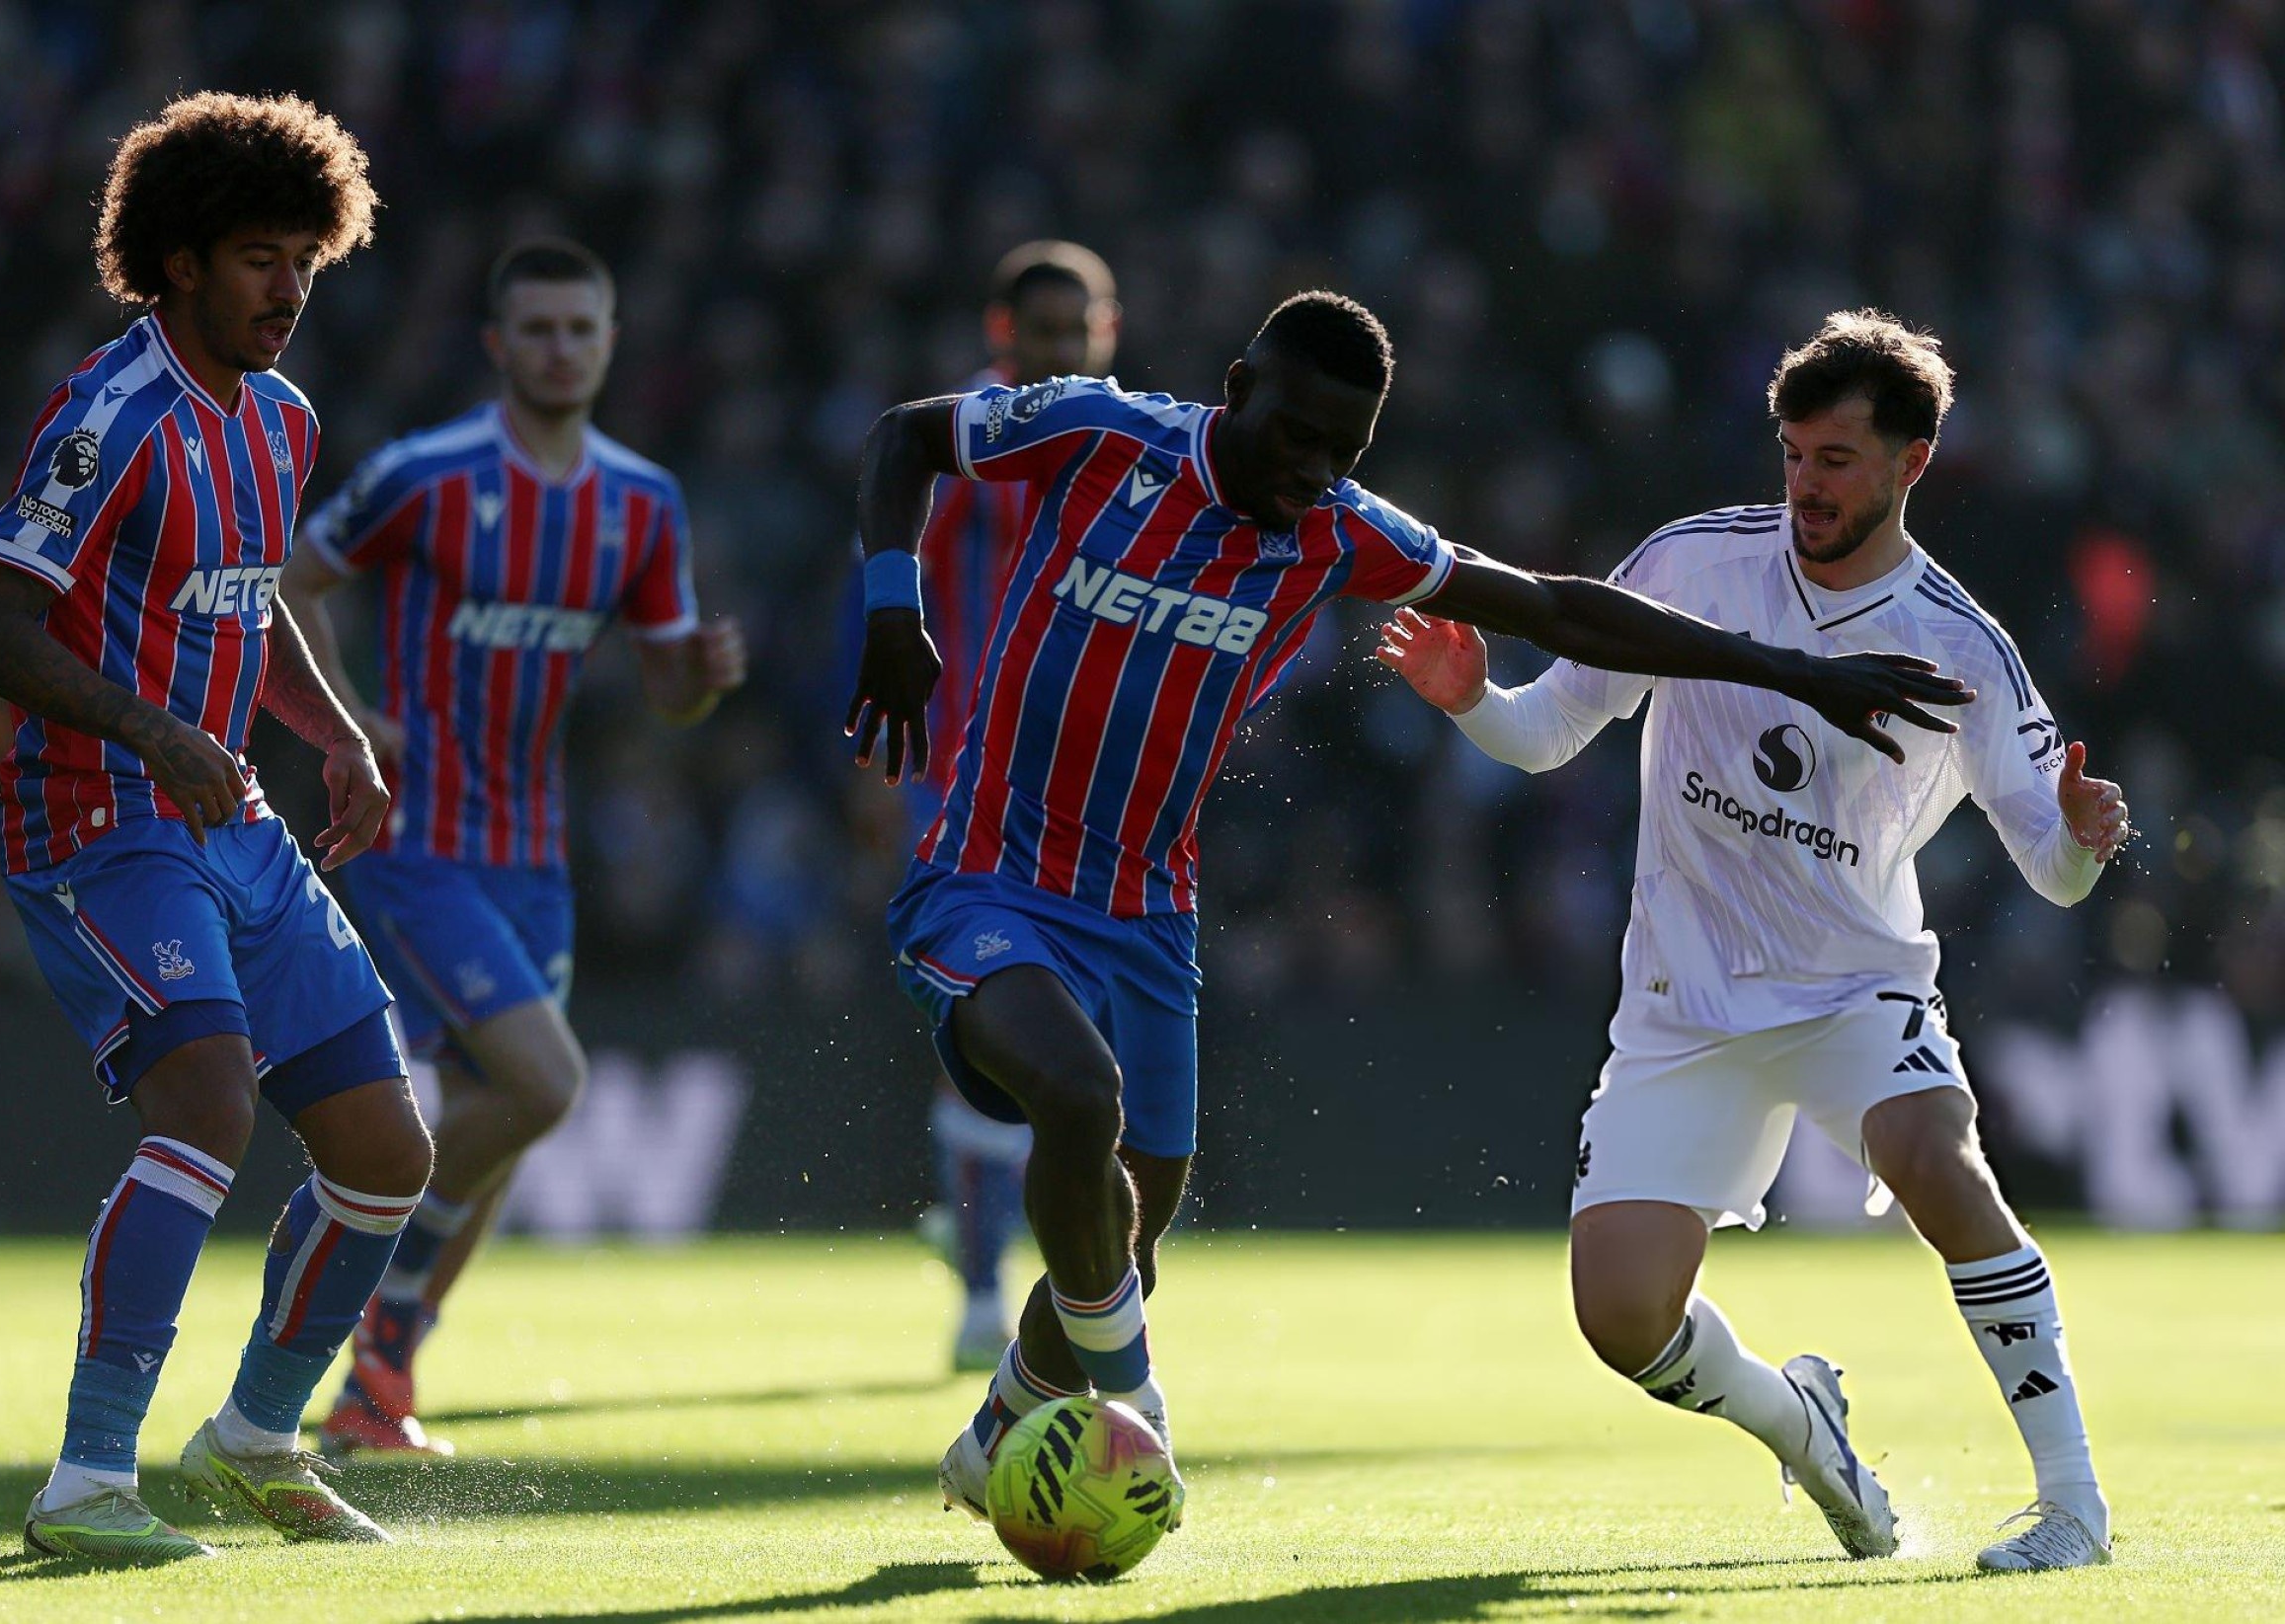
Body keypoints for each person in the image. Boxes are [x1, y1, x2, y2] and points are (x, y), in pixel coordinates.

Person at [843, 289, 1975, 1525]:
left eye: (1345, 450)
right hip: (986, 876)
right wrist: (890, 605)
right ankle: (1137, 1408)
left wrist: (1796, 673)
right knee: (1076, 1101)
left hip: (1147, 916)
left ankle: (1005, 1423)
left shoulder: (1336, 531)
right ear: (1238, 386)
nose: (1313, 471)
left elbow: (1554, 606)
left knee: (1126, 1234)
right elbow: (909, 435)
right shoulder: (1107, 432)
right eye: (1295, 437)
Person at [1378, 310, 2127, 1573]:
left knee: (1935, 1160)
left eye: (1836, 459)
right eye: (1791, 454)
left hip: (1851, 990)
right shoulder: (1691, 563)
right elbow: (1550, 731)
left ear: (1911, 464)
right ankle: (1802, 1425)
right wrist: (1473, 704)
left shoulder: (1961, 647)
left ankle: (2072, 1505)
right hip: (1684, 1004)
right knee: (1621, 1318)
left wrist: (2083, 837)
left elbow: (2049, 877)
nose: (1804, 486)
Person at [0, 92, 429, 1564]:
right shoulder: (112, 413)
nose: (287, 289)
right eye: (258, 259)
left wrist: (334, 730)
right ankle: (87, 1482)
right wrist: (154, 729)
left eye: (304, 258)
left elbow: (252, 593)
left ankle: (258, 1435)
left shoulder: (278, 419)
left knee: (387, 1150)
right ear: (176, 262)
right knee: (209, 1102)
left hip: (235, 814)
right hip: (102, 816)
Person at [278, 237, 747, 1456]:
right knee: (546, 1082)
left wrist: (697, 680)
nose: (558, 348)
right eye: (535, 328)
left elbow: (668, 693)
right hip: (416, 838)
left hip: (533, 859)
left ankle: (376, 1386)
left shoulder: (642, 500)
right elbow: (294, 579)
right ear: (498, 344)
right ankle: (353, 1296)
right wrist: (345, 718)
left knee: (506, 1110)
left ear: (609, 343)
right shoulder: (426, 475)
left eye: (578, 329)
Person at [906, 241, 1121, 1373]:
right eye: (1037, 334)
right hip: (967, 784)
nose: (1055, 353)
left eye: (1073, 332)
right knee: (988, 1038)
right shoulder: (970, 443)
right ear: (1004, 338)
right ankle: (988, 1280)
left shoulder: (1134, 448)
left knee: (1071, 1049)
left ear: (1106, 332)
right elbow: (894, 580)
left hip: (1092, 796)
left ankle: (989, 1233)